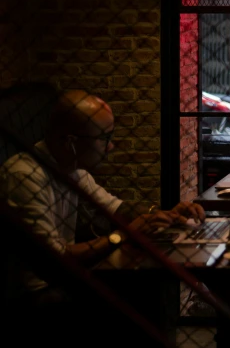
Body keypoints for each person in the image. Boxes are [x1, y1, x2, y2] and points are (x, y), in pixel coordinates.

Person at [1, 90, 205, 343]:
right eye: (104, 138)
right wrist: (124, 235)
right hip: (38, 293)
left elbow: (115, 207)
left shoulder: (73, 170)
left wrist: (164, 214)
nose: (111, 146)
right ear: (70, 141)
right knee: (142, 291)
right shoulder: (26, 176)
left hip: (65, 278)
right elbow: (54, 258)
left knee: (149, 285)